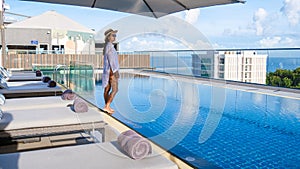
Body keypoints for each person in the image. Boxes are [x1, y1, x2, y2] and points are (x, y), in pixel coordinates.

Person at [102, 29, 120, 114]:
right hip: (111, 71)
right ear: (108, 37)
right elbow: (111, 60)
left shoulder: (107, 46)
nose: (114, 37)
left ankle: (107, 106)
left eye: (115, 35)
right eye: (113, 35)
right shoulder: (110, 46)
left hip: (107, 71)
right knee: (115, 89)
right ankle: (107, 106)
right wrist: (115, 71)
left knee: (107, 89)